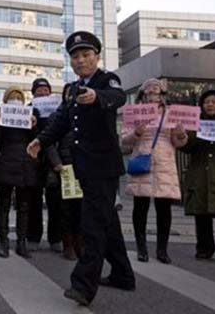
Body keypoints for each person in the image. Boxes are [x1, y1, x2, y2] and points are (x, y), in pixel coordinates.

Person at [27, 31, 135, 306]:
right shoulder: (73, 89)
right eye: (75, 56)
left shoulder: (105, 80)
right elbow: (61, 119)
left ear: (97, 56)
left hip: (102, 166)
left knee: (92, 225)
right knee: (107, 223)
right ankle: (123, 275)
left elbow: (117, 96)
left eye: (86, 55)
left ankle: (83, 286)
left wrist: (97, 97)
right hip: (84, 166)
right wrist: (40, 140)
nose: (80, 60)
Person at [122, 78, 187, 264]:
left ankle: (162, 249)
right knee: (140, 206)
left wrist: (181, 134)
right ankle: (141, 248)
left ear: (162, 94)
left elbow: (179, 142)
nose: (153, 93)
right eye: (149, 90)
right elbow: (125, 139)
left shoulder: (171, 113)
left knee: (164, 208)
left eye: (156, 90)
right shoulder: (135, 112)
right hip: (142, 159)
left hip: (165, 162)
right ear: (143, 93)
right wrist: (136, 133)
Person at [179, 90, 215, 266]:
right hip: (201, 175)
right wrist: (182, 135)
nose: (210, 105)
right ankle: (204, 249)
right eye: (206, 102)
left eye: (213, 102)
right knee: (202, 216)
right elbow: (186, 147)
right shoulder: (195, 122)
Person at [0, 86, 39, 259]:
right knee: (3, 205)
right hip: (6, 161)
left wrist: (34, 125)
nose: (16, 100)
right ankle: (4, 242)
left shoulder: (30, 113)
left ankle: (21, 242)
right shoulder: (0, 112)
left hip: (25, 163)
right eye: (12, 97)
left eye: (18, 97)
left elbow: (36, 140)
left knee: (24, 206)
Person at [44, 84, 83, 261]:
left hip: (84, 167)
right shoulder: (58, 115)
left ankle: (80, 243)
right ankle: (68, 245)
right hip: (65, 168)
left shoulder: (87, 114)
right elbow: (49, 142)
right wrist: (57, 163)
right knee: (66, 208)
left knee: (82, 208)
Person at [27, 77, 63, 253]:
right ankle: (33, 237)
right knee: (34, 202)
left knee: (56, 203)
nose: (43, 93)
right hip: (34, 161)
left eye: (46, 90)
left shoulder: (60, 110)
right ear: (33, 94)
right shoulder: (28, 111)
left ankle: (56, 238)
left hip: (55, 162)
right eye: (39, 90)